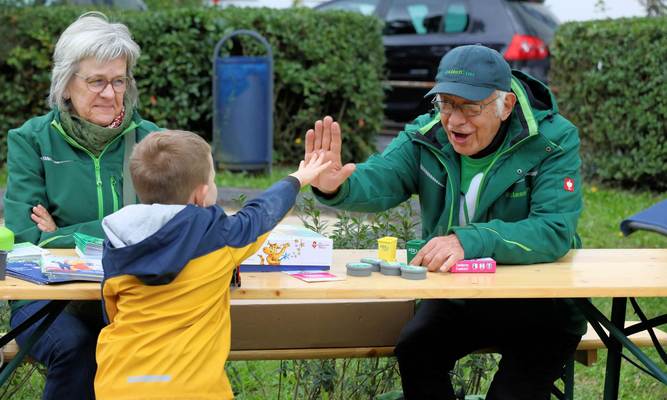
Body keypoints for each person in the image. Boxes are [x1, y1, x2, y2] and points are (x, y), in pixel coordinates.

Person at [305, 45, 586, 399]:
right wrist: (338, 185)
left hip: (542, 304)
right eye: (447, 104)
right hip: (459, 295)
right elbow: (382, 176)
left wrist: (469, 240)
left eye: (469, 107)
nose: (454, 120)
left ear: (506, 105)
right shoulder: (428, 134)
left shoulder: (553, 140)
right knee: (416, 350)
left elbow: (554, 230)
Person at [93, 130, 330, 399]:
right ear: (201, 196)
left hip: (119, 383)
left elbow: (110, 311)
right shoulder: (219, 237)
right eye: (214, 180)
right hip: (192, 388)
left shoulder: (117, 239)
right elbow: (261, 215)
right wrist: (297, 179)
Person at [3, 12, 160, 399]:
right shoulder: (32, 141)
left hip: (134, 295)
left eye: (118, 81)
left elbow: (164, 228)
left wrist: (62, 235)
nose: (110, 93)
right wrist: (124, 227)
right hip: (50, 299)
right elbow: (25, 242)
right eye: (96, 81)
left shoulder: (152, 143)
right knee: (77, 347)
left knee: (150, 348)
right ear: (66, 85)